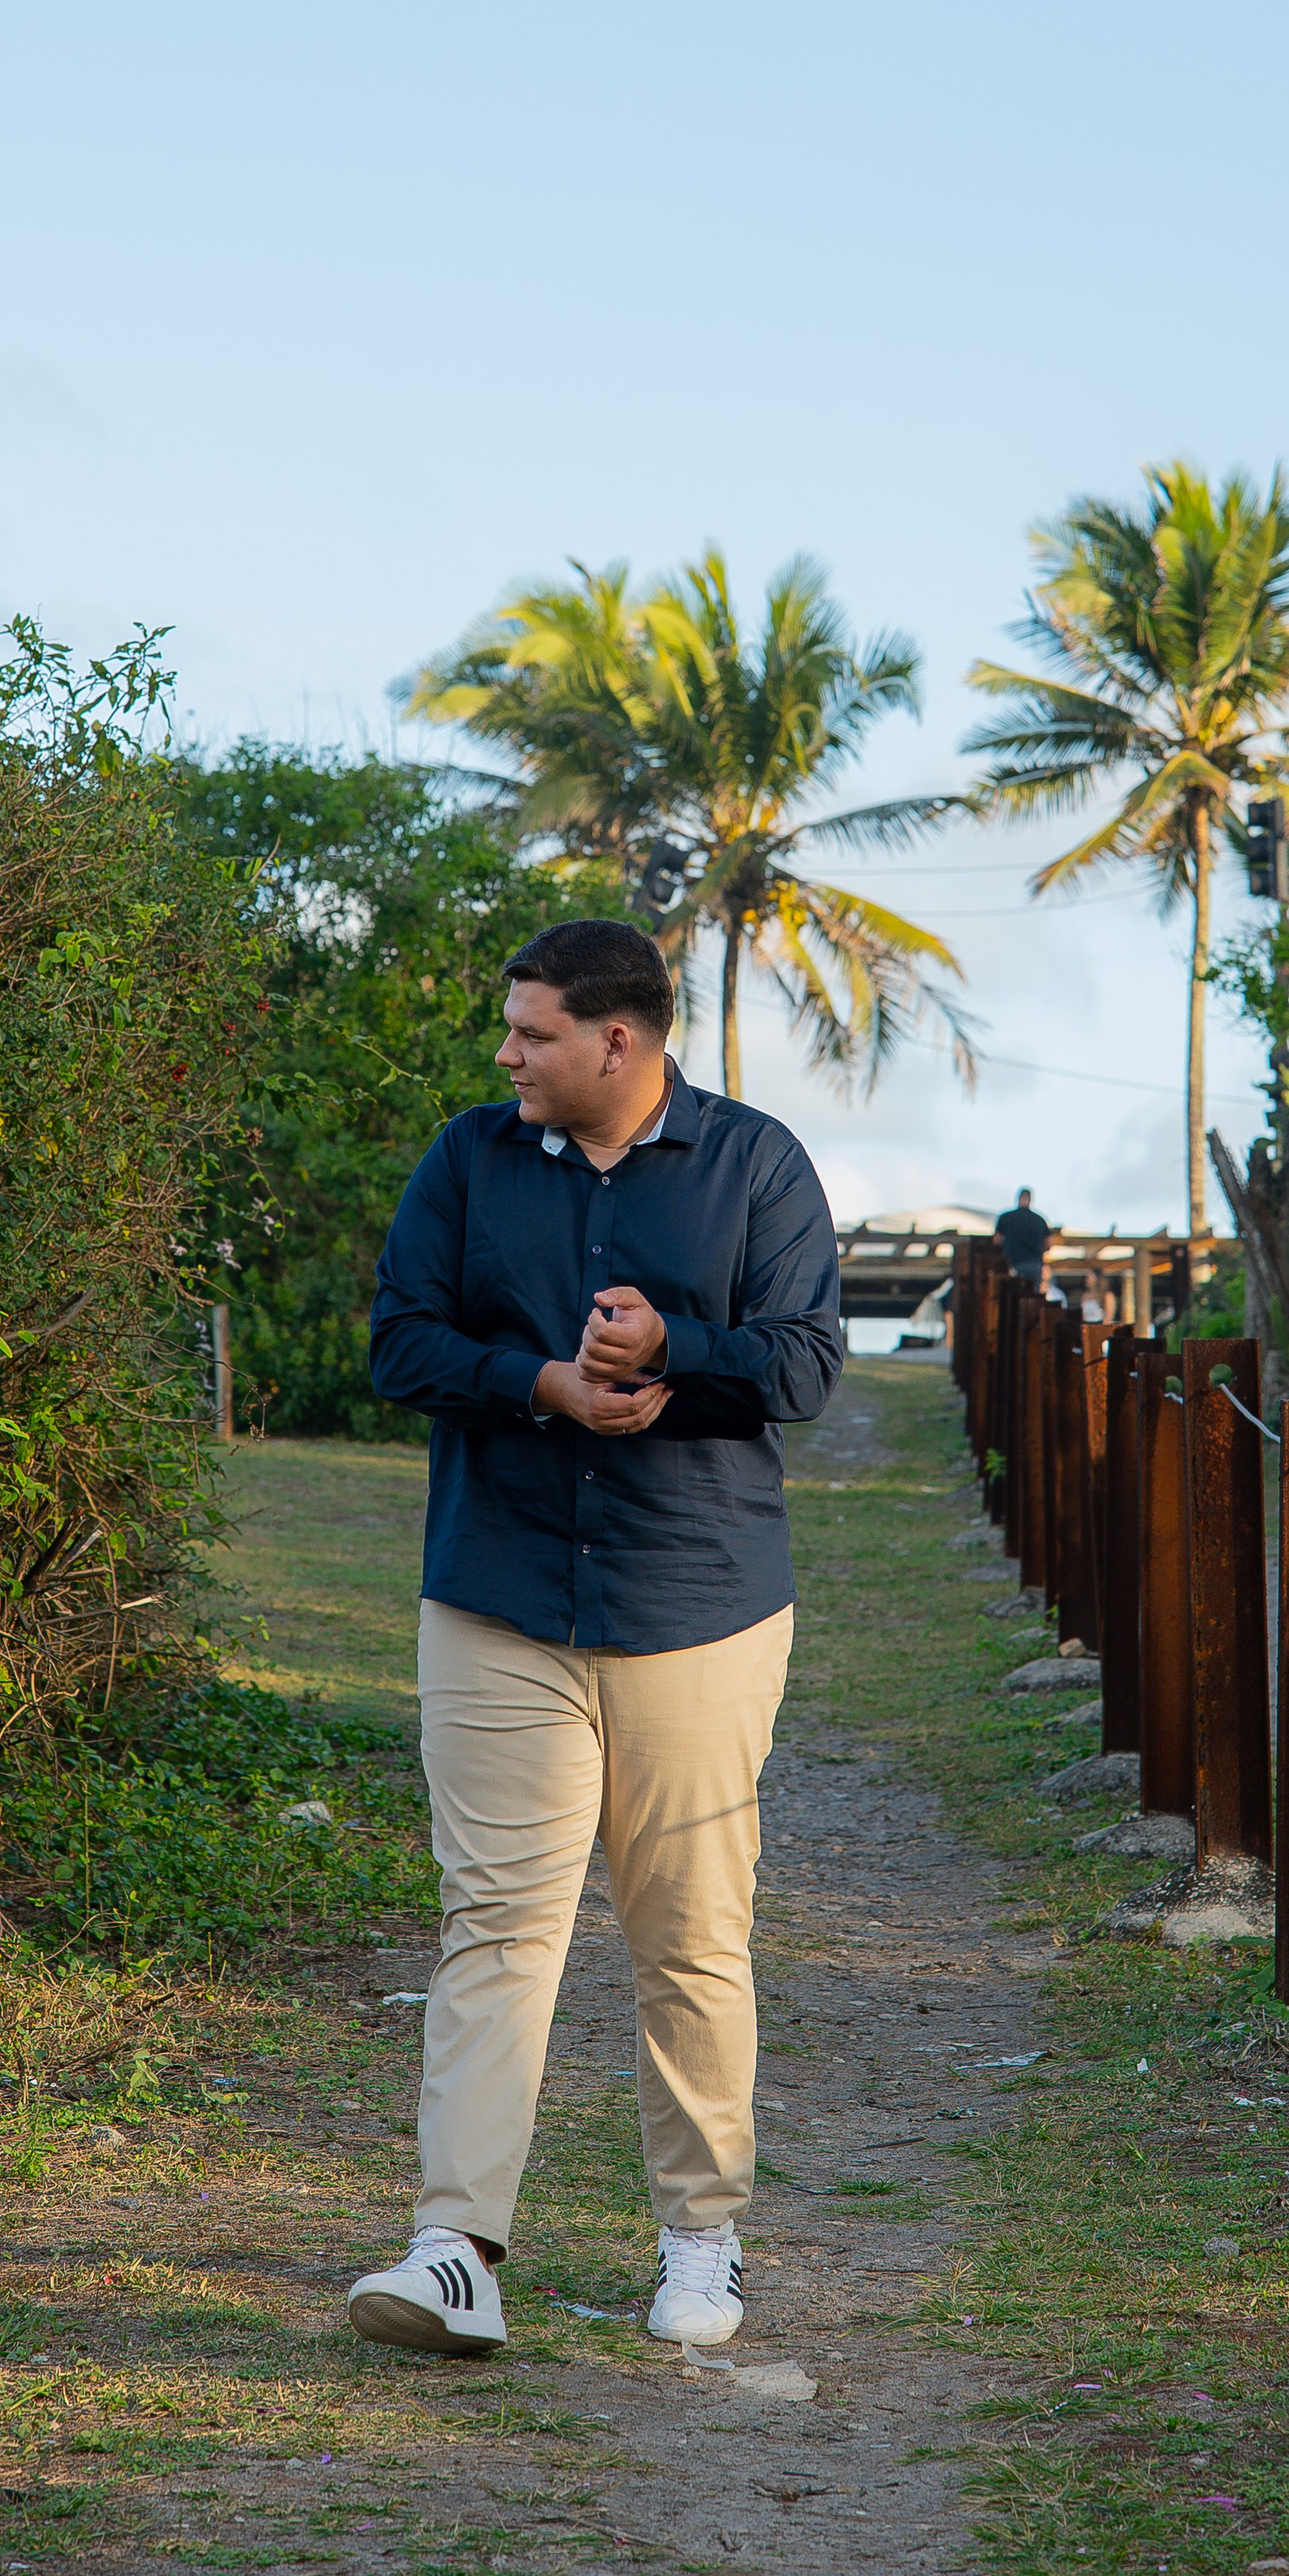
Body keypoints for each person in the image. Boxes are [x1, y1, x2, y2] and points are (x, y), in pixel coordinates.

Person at [349, 917, 842, 2360]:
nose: (507, 1056)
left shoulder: (758, 1165)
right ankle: (455, 2251)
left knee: (689, 1937)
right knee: (494, 1927)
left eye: (532, 1032)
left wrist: (675, 1349)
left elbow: (809, 1361)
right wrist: (543, 1384)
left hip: (698, 1605)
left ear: (616, 1039)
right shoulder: (466, 1158)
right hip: (496, 1595)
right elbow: (399, 1343)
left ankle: (700, 2246)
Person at [993, 1186, 1052, 1284]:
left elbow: (996, 1240)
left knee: (1012, 1294)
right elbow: (1048, 1244)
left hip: (1013, 1264)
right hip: (1035, 1265)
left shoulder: (1006, 1217)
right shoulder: (1040, 1220)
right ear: (1030, 1200)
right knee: (1034, 1295)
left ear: (1018, 1198)